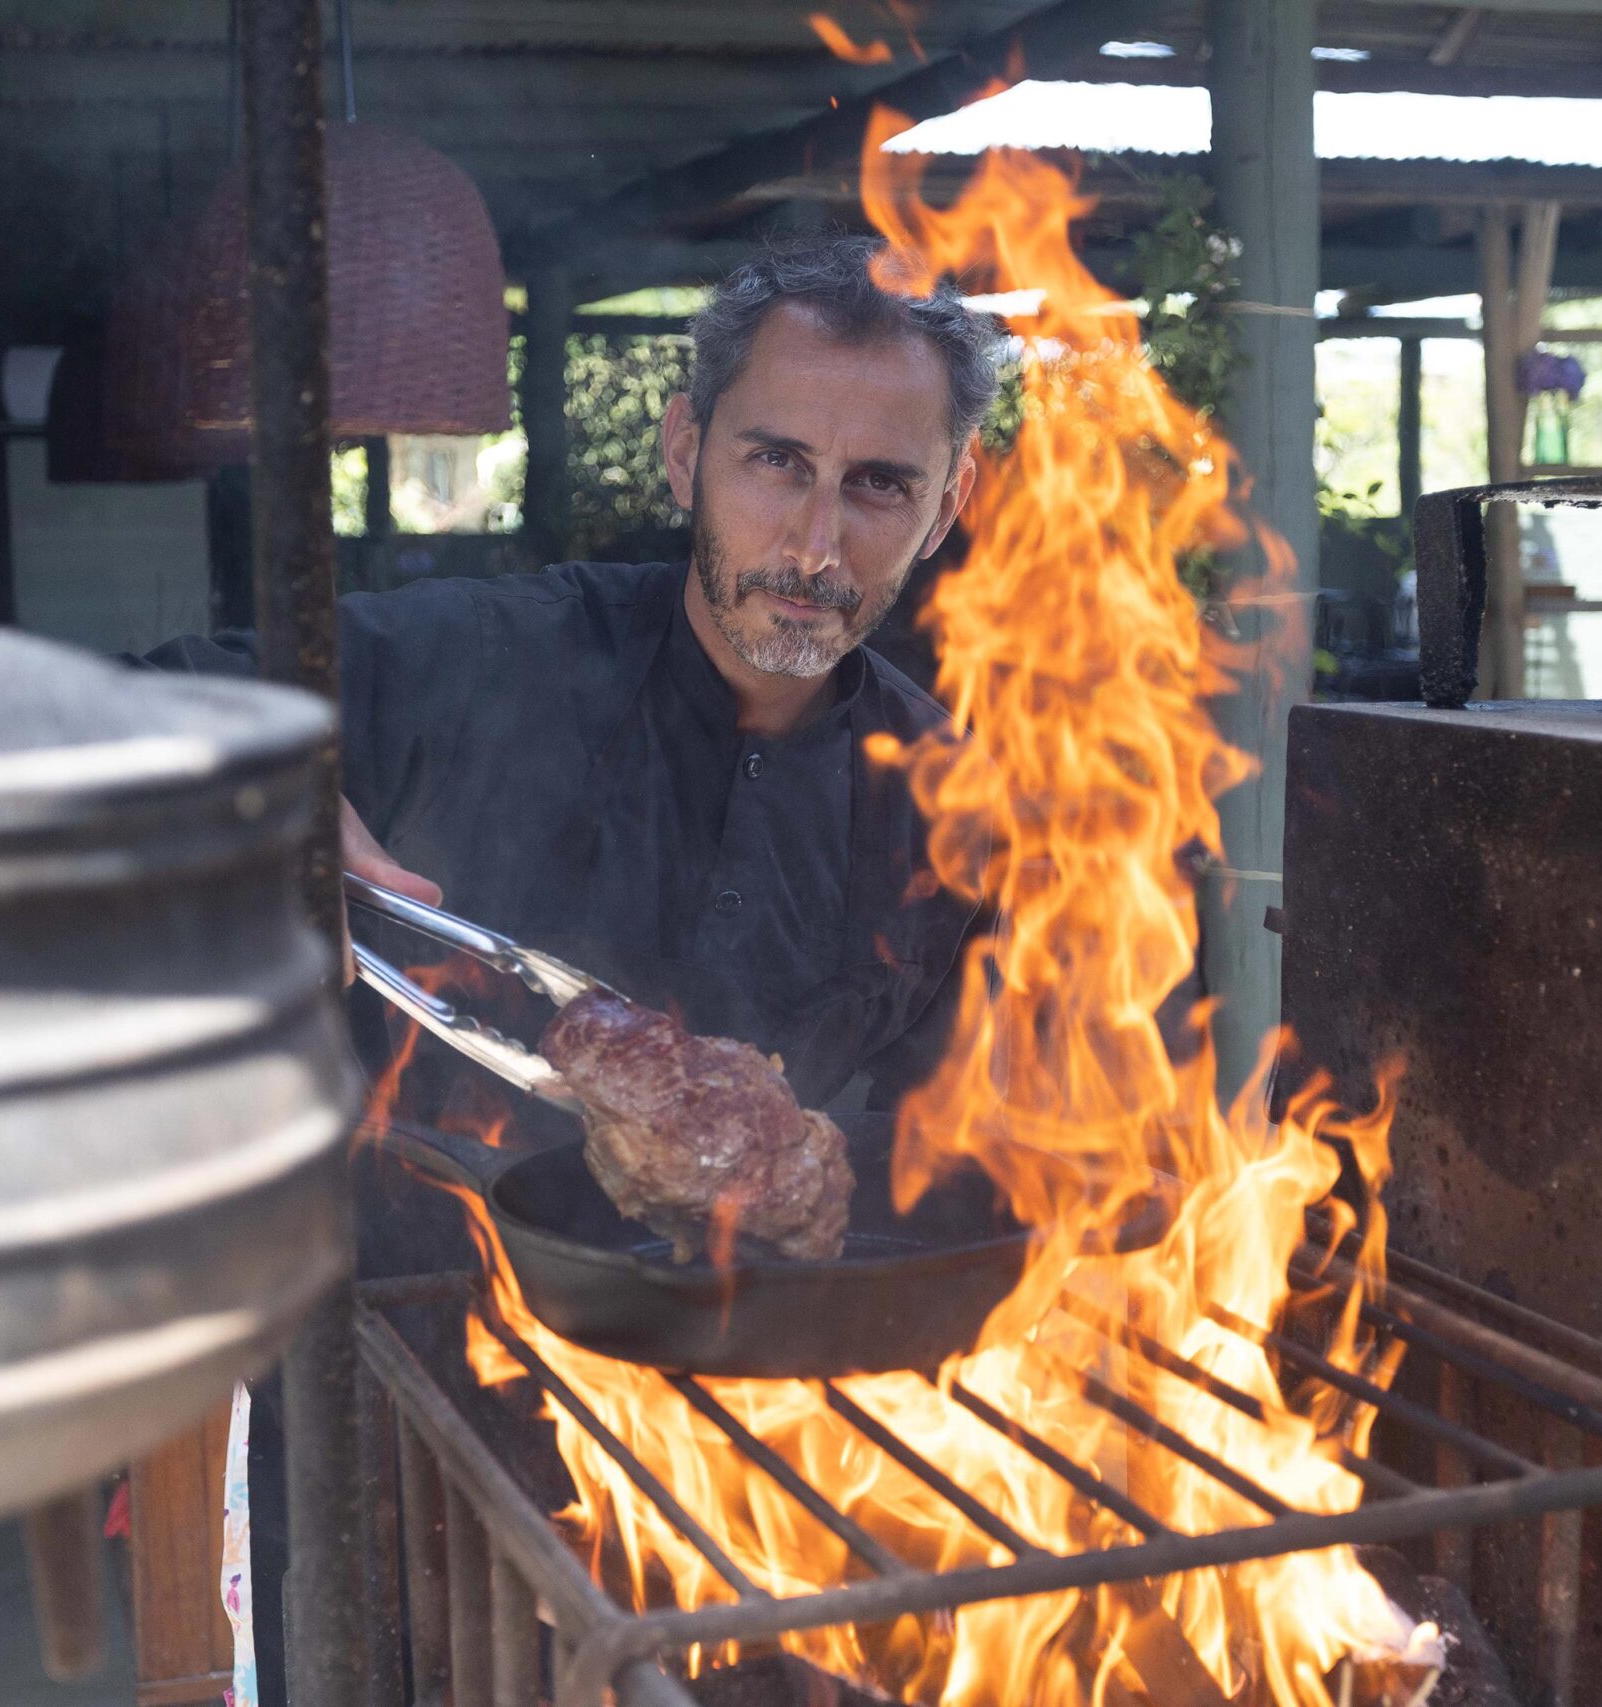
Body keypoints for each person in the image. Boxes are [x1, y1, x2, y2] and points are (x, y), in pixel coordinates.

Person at [142, 236, 1003, 1701]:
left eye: (878, 485)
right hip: (404, 1413)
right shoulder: (493, 654)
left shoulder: (954, 807)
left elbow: (944, 1167)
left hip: (751, 1472)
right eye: (775, 462)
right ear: (685, 453)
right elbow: (154, 693)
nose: (814, 544)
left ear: (947, 505)